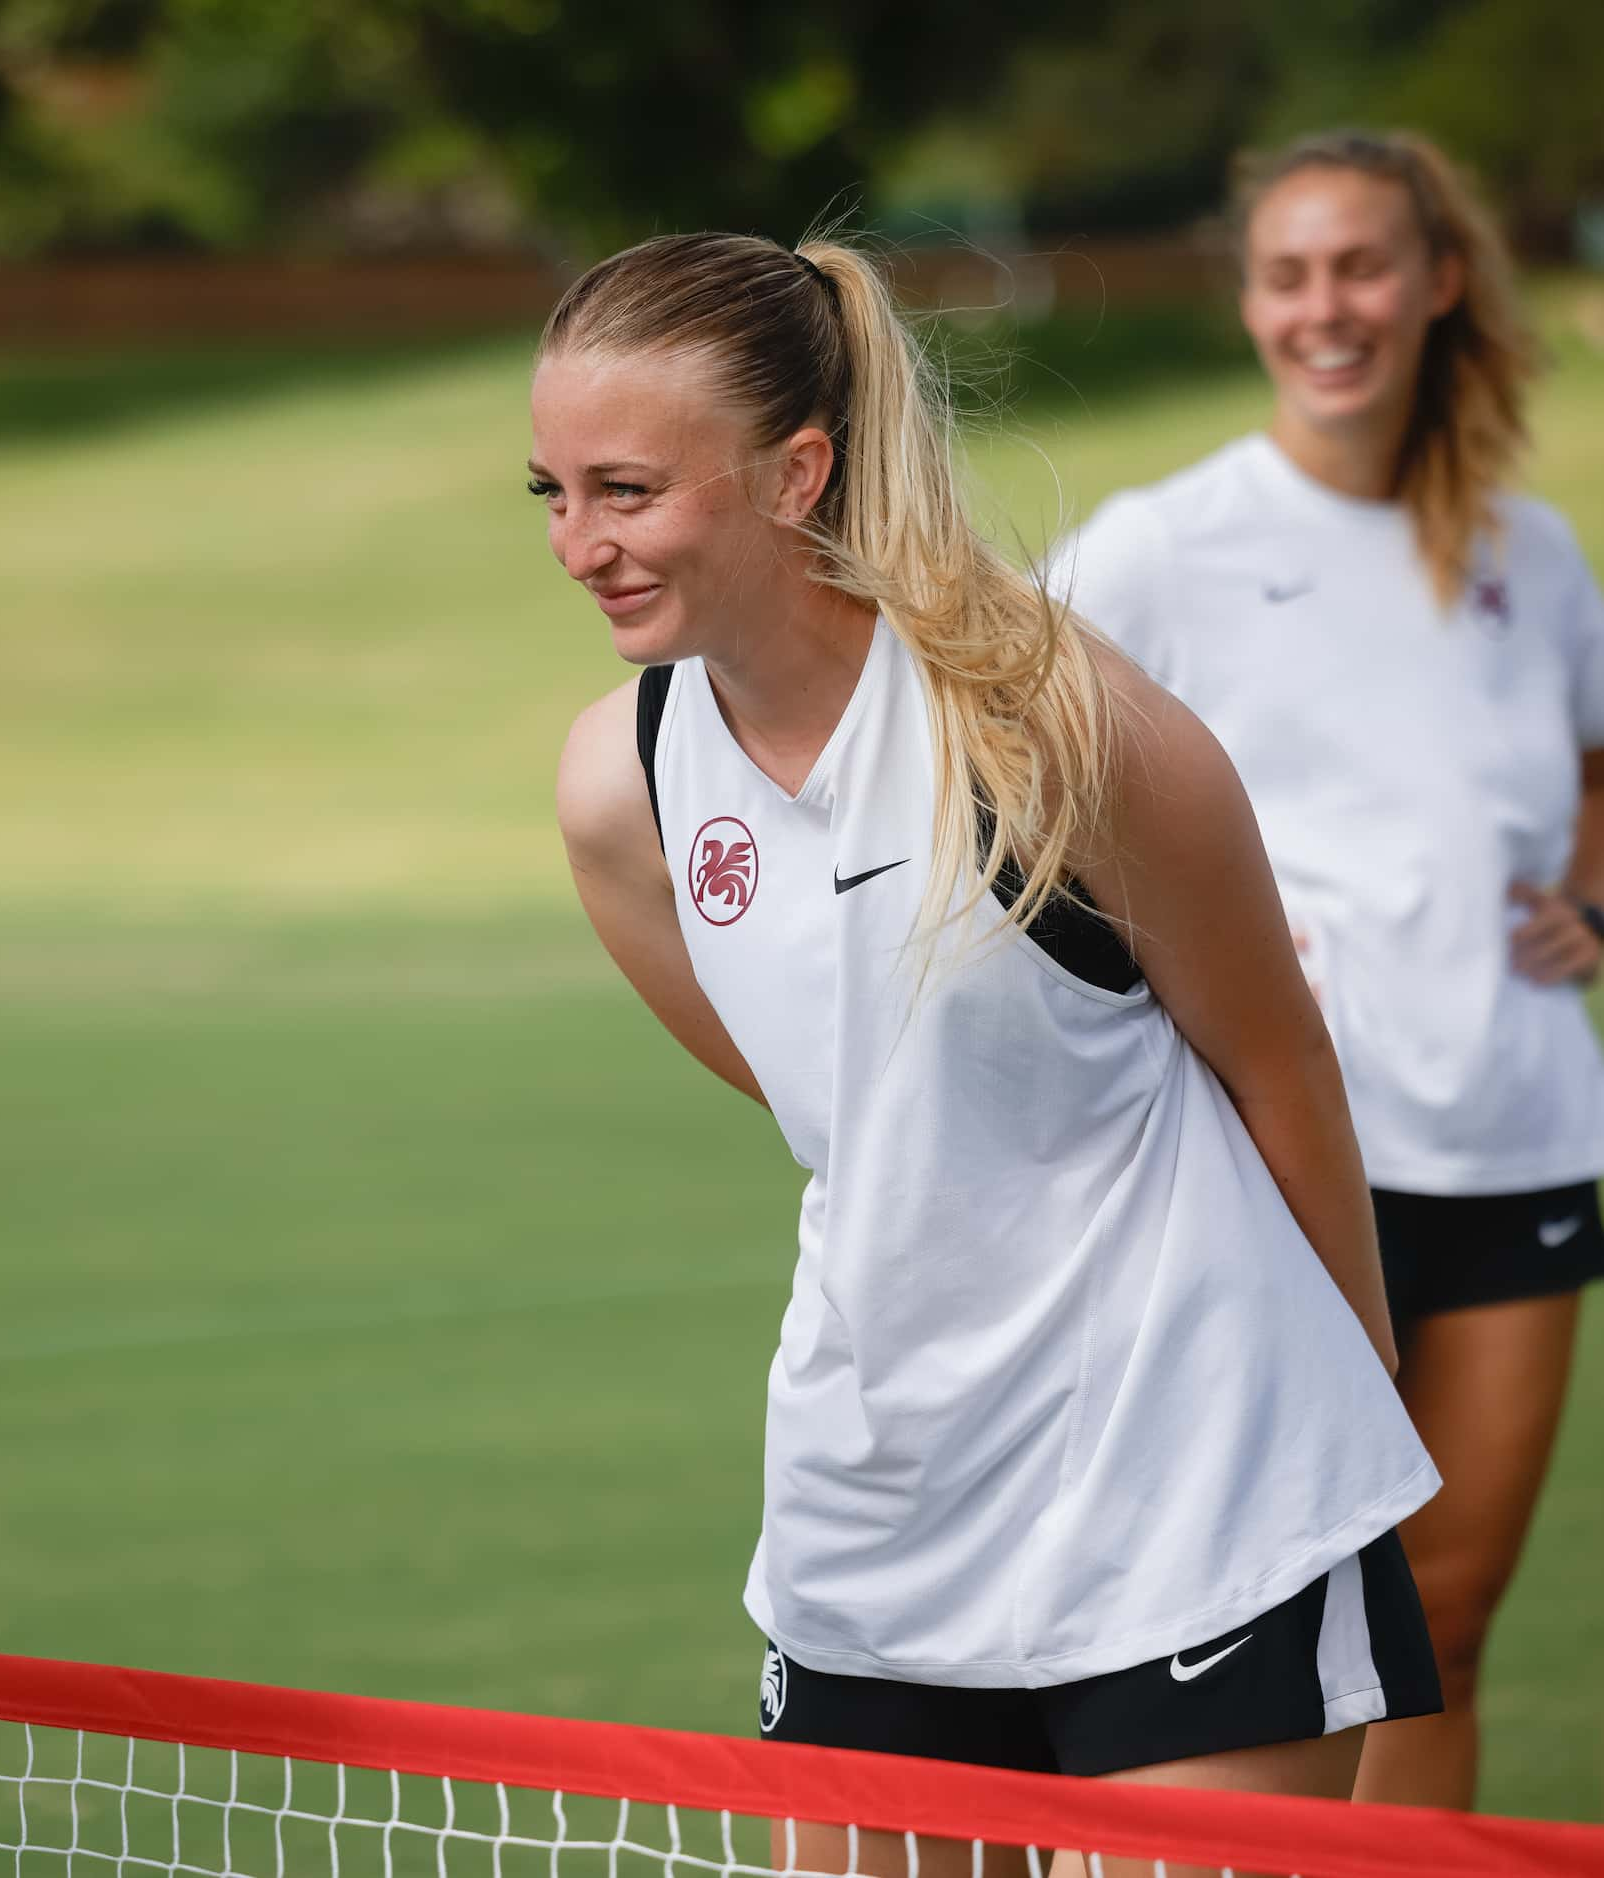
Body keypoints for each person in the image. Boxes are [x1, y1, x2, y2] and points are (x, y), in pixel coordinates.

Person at [538, 231, 1440, 1874]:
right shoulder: (624, 786)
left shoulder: (1051, 727)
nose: (578, 545)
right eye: (550, 494)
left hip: (1195, 1488)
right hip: (876, 1512)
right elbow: (832, 1091)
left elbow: (1279, 1068)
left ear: (795, 469)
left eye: (627, 491)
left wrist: (1348, 1401)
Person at [1058, 129, 1604, 1813]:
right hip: (1290, 1153)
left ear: (1438, 281)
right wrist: (1178, 935)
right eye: (1287, 274)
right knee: (1293, 1628)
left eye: (1360, 266)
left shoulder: (1529, 547)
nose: (1326, 307)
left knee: (1444, 1612)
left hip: (1518, 1132)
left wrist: (1591, 893)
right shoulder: (1165, 542)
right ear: (1246, 301)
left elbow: (1589, 766)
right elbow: (1006, 779)